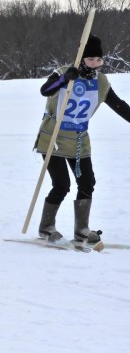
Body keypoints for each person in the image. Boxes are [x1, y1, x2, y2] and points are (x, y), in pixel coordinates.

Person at [34, 34, 130, 244]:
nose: (94, 64)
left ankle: (82, 230)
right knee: (61, 185)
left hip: (78, 140)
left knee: (87, 181)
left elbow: (119, 105)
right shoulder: (63, 73)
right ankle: (46, 228)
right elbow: (45, 91)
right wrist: (63, 79)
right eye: (90, 59)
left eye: (98, 60)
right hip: (54, 138)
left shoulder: (101, 82)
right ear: (81, 59)